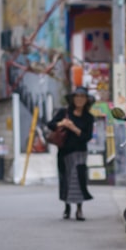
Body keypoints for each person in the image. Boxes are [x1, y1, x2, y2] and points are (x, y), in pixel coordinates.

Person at [46, 86, 95, 220]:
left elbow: (87, 137)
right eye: (77, 96)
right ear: (73, 99)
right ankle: (67, 207)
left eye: (82, 97)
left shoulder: (88, 118)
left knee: (78, 179)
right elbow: (50, 124)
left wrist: (73, 128)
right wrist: (62, 123)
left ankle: (79, 209)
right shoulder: (64, 112)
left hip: (79, 153)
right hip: (64, 152)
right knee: (65, 178)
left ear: (86, 100)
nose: (79, 99)